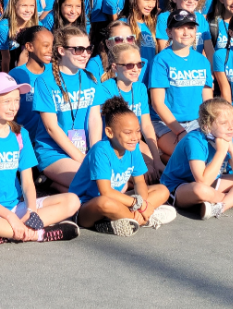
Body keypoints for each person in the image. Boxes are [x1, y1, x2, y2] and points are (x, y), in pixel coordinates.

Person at [0, 72, 82, 248]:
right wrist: (10, 218)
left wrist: (31, 210)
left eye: (16, 100)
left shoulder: (21, 135)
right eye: (6, 101)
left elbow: (27, 183)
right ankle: (39, 234)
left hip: (16, 207)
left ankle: (4, 234)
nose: (13, 107)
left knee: (72, 201)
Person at [74, 97, 174, 236]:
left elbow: (139, 182)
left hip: (119, 201)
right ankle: (144, 219)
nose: (135, 137)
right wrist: (139, 204)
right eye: (128, 132)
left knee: (162, 190)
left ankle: (127, 218)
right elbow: (106, 192)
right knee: (105, 203)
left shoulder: (133, 148)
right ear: (109, 132)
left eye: (138, 131)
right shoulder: (100, 150)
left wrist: (142, 204)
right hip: (87, 207)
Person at [160, 98, 233, 219]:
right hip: (180, 188)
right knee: (201, 190)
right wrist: (221, 152)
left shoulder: (226, 137)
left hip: (212, 183)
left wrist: (232, 150)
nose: (231, 127)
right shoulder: (194, 140)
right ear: (207, 126)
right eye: (224, 123)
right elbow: (202, 182)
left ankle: (221, 207)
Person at [32, 26, 103, 193]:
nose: (85, 54)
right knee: (95, 184)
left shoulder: (90, 78)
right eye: (78, 49)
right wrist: (83, 160)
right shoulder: (45, 81)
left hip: (84, 149)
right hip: (53, 151)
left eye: (88, 49)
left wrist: (94, 154)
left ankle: (51, 184)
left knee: (110, 181)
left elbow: (94, 120)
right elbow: (51, 127)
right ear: (61, 50)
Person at [147, 9, 214, 157]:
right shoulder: (161, 60)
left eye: (190, 27)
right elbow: (157, 104)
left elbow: (208, 101)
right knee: (189, 155)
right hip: (166, 124)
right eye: (179, 27)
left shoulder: (202, 60)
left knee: (214, 152)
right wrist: (180, 131)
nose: (186, 32)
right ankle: (162, 157)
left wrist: (210, 125)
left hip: (197, 122)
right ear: (169, 32)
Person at [89, 42, 161, 177]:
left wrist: (156, 160)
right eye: (129, 65)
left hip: (134, 140)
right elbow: (96, 125)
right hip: (113, 144)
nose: (136, 69)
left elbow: (146, 125)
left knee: (153, 168)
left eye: (139, 64)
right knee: (144, 173)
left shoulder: (140, 88)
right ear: (115, 67)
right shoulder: (105, 89)